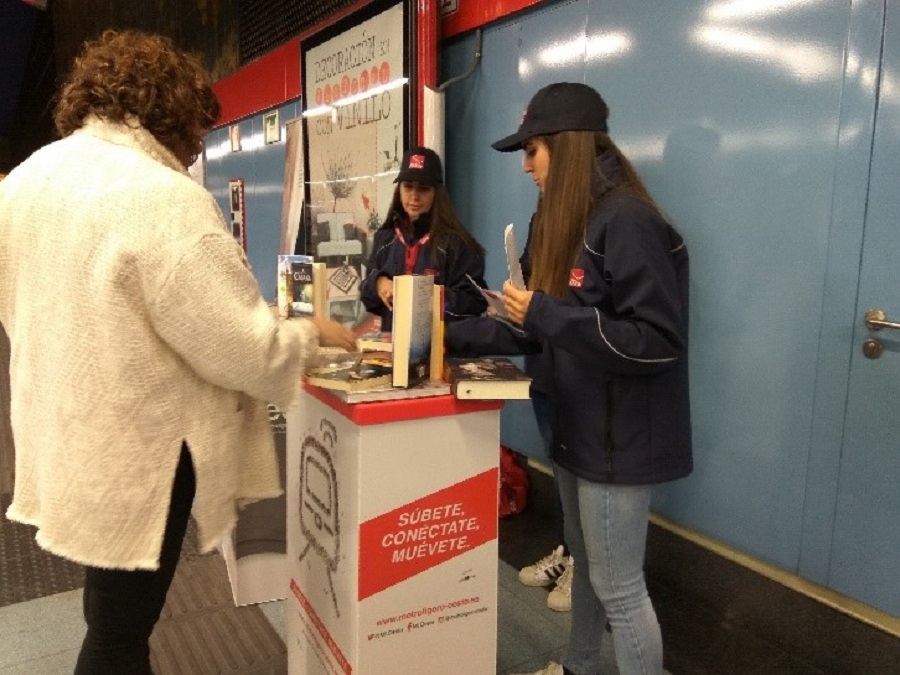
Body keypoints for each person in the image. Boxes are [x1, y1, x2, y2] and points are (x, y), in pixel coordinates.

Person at [0, 30, 356, 675]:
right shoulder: (161, 199)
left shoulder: (25, 181)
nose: (197, 147)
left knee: (110, 608)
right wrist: (304, 335)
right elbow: (239, 346)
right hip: (140, 451)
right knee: (119, 630)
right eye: (195, 127)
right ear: (167, 108)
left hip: (62, 428)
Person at [447, 82, 692, 675]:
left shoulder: (626, 220)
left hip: (620, 440)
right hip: (574, 428)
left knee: (620, 587)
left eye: (533, 150)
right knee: (585, 561)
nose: (526, 166)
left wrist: (547, 312)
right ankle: (579, 666)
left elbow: (657, 341)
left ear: (567, 145)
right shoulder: (560, 221)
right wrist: (439, 335)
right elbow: (535, 331)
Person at [360, 145, 488, 330]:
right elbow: (366, 295)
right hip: (391, 347)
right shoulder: (385, 237)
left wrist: (428, 298)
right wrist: (379, 283)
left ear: (436, 193)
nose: (414, 196)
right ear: (399, 189)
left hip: (442, 350)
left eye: (423, 189)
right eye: (408, 186)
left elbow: (475, 302)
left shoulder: (457, 243)